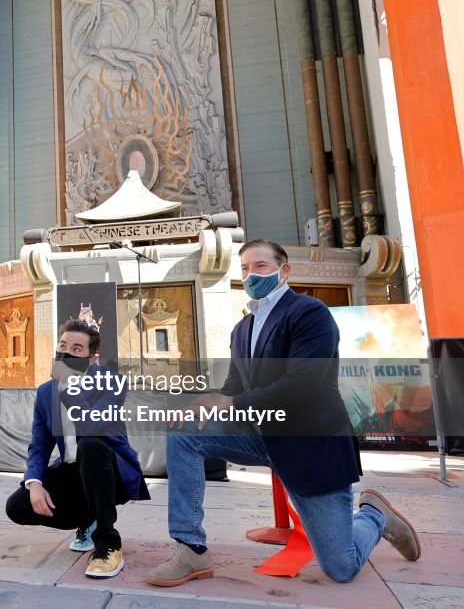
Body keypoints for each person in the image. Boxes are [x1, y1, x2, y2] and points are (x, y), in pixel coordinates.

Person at [145, 239, 420, 587]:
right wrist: (205, 401)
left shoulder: (309, 313)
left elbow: (303, 384)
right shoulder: (242, 330)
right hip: (263, 435)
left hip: (311, 446)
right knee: (184, 434)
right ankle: (191, 548)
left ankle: (374, 515)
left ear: (284, 270)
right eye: (244, 269)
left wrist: (230, 404)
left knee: (340, 567)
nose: (250, 275)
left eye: (260, 266)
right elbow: (235, 387)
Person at [5, 319, 150, 579]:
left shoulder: (112, 381)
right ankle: (87, 518)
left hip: (111, 471)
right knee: (17, 506)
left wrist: (69, 385)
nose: (66, 353)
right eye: (63, 345)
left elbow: (92, 425)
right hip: (73, 471)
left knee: (91, 445)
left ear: (92, 358)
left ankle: (108, 544)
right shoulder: (45, 392)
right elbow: (39, 444)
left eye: (76, 348)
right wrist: (33, 483)